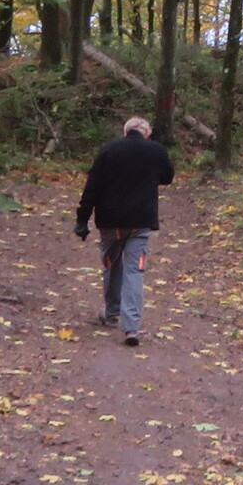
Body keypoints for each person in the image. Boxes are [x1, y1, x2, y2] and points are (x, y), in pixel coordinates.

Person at [76, 116, 175, 346]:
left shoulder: (108, 150)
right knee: (135, 271)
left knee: (111, 263)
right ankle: (132, 328)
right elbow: (167, 177)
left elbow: (92, 187)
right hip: (140, 222)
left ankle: (112, 312)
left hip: (110, 221)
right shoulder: (156, 151)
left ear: (125, 131)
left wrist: (82, 220)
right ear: (147, 133)